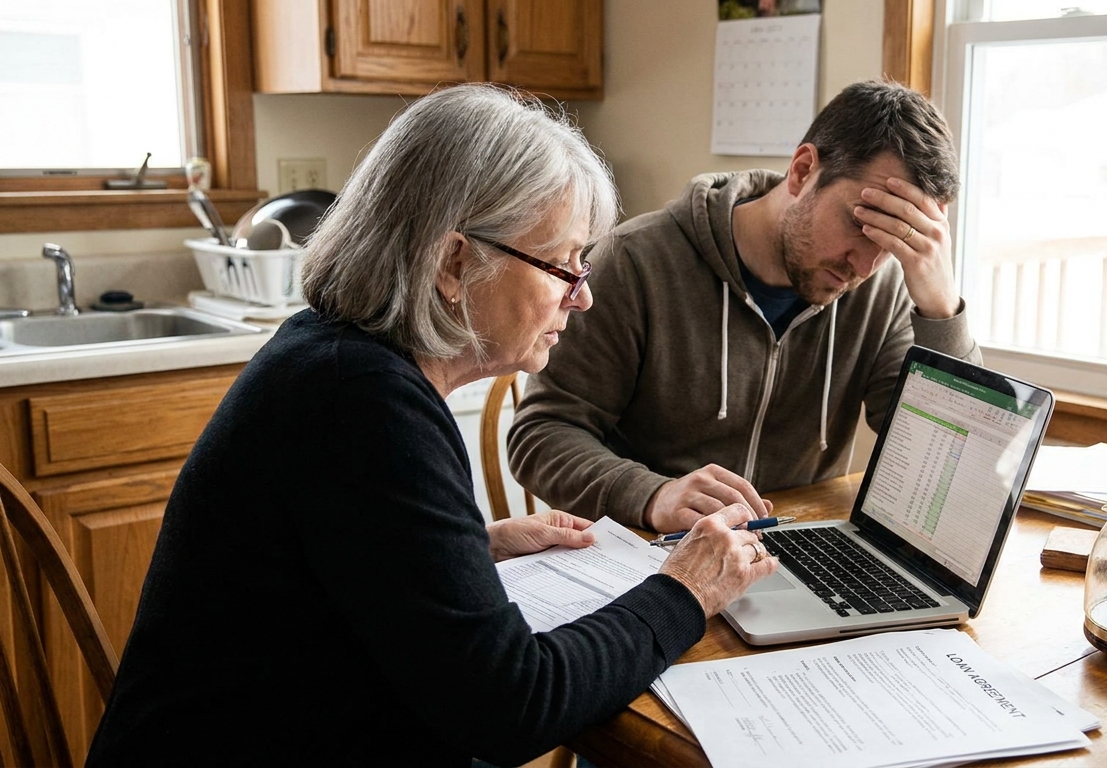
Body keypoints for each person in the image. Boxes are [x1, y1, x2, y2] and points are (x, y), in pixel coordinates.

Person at [86, 84, 777, 767]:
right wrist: (686, 592)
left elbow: (322, 575)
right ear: (454, 264)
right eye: (562, 264)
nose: (584, 295)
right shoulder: (363, 401)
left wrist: (464, 551)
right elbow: (512, 709)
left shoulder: (334, 357)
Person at [508, 80, 981, 534]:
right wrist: (654, 495)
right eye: (861, 224)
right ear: (802, 171)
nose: (867, 263)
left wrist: (941, 310)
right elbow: (542, 434)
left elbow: (948, 466)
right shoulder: (635, 263)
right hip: (651, 557)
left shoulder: (882, 290)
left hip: (798, 551)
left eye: (896, 239)